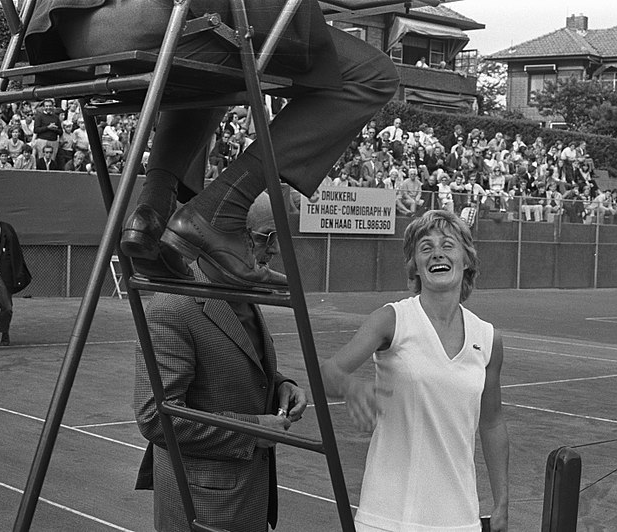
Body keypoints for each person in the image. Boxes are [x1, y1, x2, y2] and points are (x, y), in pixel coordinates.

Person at [26, 0, 399, 287]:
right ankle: (220, 210)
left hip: (68, 30)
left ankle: (152, 211)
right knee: (373, 73)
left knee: (219, 61)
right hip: (156, 17)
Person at [321, 210, 509, 532]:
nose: (437, 252)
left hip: (460, 520)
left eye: (448, 245)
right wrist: (352, 388)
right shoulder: (391, 320)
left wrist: (502, 501)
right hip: (388, 516)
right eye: (426, 247)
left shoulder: (488, 338)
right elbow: (328, 371)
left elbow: (492, 423)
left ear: (466, 261)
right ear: (416, 268)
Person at [133, 192, 306, 531]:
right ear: (226, 236)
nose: (274, 250)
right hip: (203, 505)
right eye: (266, 238)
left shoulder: (240, 287)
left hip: (244, 497)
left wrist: (281, 385)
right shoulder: (174, 306)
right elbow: (155, 417)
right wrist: (252, 429)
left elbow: (238, 362)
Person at [0, 208, 32, 346]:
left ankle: (4, 332)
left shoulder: (6, 230)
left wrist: (17, 275)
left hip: (0, 274)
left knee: (7, 307)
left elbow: (16, 254)